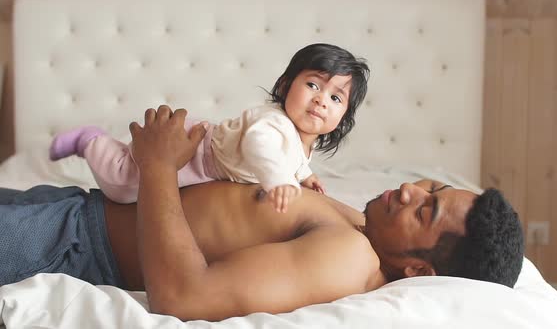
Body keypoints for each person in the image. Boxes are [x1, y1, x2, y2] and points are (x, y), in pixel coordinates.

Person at [0, 106, 525, 322]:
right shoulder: (357, 227)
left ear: (418, 270)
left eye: (426, 210)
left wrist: (157, 166)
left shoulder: (346, 259)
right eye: (431, 187)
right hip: (72, 212)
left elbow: (184, 298)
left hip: (71, 245)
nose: (410, 189)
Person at [48, 43, 370, 213]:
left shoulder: (302, 139)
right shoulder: (272, 122)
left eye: (336, 97)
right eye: (313, 84)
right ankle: (90, 140)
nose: (321, 100)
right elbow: (261, 147)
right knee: (121, 186)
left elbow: (292, 157)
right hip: (192, 151)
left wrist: (304, 175)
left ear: (344, 115)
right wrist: (279, 182)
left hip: (209, 163)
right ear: (286, 86)